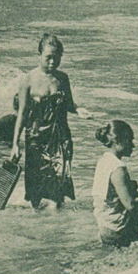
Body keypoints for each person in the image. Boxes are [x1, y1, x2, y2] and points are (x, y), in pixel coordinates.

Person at [10, 34, 95, 210]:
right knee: (36, 191)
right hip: (36, 138)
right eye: (48, 57)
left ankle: (57, 228)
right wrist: (15, 144)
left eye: (57, 58)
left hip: (59, 138)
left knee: (58, 187)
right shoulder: (28, 79)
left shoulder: (63, 79)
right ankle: (38, 228)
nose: (52, 62)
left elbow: (69, 104)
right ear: (39, 54)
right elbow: (22, 113)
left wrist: (79, 110)